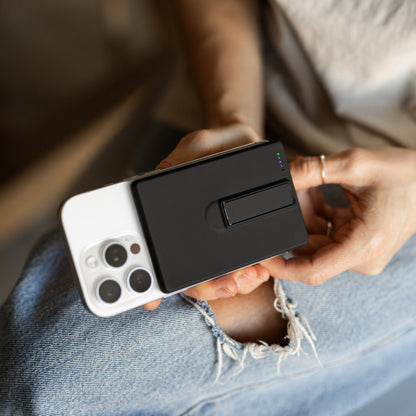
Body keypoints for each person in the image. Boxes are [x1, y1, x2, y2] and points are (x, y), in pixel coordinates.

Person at [1, 0, 416, 414]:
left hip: (395, 186)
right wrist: (235, 127)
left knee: (50, 375)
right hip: (246, 95)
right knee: (43, 365)